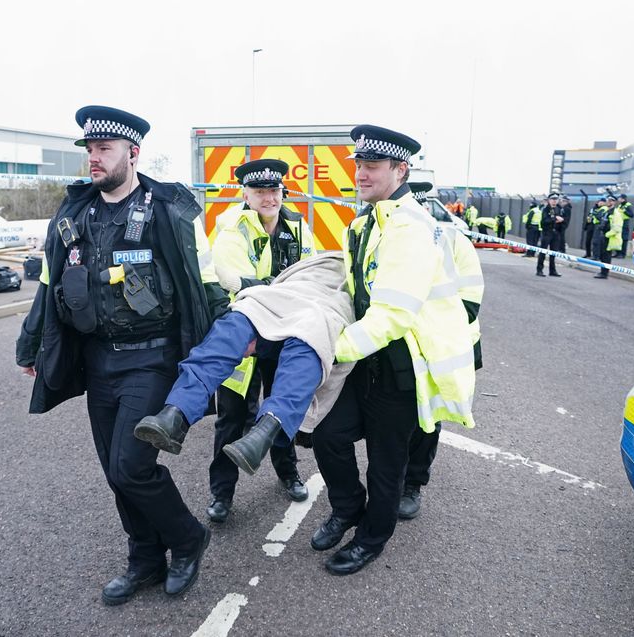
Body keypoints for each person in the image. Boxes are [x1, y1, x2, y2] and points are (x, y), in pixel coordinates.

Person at [15, 106, 229, 604]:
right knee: (114, 470)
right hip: (98, 360)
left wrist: (230, 340)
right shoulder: (73, 215)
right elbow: (49, 283)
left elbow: (207, 281)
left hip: (152, 359)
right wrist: (31, 342)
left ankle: (188, 538)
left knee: (131, 466)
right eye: (89, 149)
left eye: (103, 149)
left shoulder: (168, 211)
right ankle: (145, 560)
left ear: (132, 153)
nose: (93, 158)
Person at [310, 125, 477, 576]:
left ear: (400, 170)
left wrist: (329, 350)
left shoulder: (410, 227)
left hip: (399, 367)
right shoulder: (366, 221)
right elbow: (354, 290)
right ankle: (347, 509)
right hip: (366, 361)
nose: (360, 174)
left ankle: (371, 539)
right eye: (358, 164)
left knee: (386, 465)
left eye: (372, 165)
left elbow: (393, 316)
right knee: (327, 435)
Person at [133, 253, 354, 484]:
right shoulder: (235, 229)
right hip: (285, 298)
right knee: (295, 334)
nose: (269, 212)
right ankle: (182, 416)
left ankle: (184, 414)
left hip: (293, 298)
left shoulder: (297, 227)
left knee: (299, 332)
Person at [203, 158, 316, 523]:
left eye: (274, 190)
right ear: (245, 194)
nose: (269, 198)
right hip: (246, 339)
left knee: (281, 411)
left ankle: (288, 474)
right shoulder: (232, 228)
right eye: (260, 191)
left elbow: (311, 274)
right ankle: (222, 494)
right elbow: (229, 280)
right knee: (232, 419)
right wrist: (278, 288)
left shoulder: (298, 227)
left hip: (285, 334)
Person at [399, 199, 485, 521]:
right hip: (400, 344)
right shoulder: (388, 237)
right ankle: (392, 480)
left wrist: (416, 325)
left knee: (429, 416)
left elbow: (469, 305)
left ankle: (412, 485)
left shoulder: (454, 242)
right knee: (395, 416)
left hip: (444, 347)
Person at [592, 195, 623, 278]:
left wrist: (606, 235)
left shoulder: (616, 213)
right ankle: (602, 271)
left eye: (611, 200)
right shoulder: (607, 211)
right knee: (603, 255)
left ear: (614, 202)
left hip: (609, 237)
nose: (609, 202)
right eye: (608, 200)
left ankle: (604, 273)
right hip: (604, 236)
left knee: (606, 256)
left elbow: (617, 228)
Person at [535, 193, 563, 277]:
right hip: (547, 232)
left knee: (553, 253)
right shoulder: (546, 209)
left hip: (555, 233)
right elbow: (544, 221)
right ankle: (539, 270)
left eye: (556, 199)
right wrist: (555, 219)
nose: (554, 201)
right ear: (549, 200)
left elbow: (562, 219)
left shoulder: (558, 209)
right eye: (552, 199)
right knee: (543, 252)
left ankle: (552, 270)